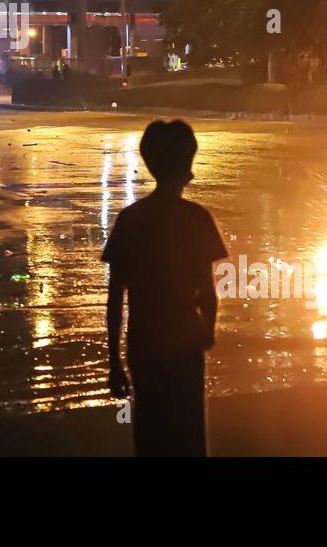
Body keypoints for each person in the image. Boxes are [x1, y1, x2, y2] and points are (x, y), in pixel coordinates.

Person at [102, 119, 227, 456]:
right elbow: (207, 289)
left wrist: (114, 359)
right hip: (186, 339)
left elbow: (116, 298)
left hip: (145, 341)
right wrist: (208, 330)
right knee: (187, 432)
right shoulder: (197, 218)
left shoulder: (131, 219)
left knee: (151, 432)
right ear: (187, 162)